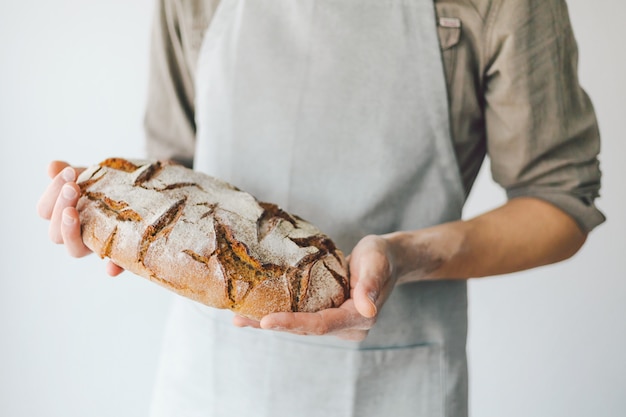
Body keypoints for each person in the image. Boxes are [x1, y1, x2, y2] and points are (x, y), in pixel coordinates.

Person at [37, 0, 605, 416]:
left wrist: (405, 256)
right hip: (208, 382)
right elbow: (170, 171)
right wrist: (103, 216)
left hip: (394, 387)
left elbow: (558, 200)